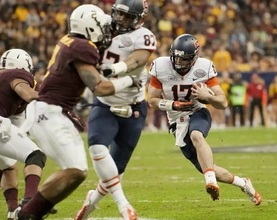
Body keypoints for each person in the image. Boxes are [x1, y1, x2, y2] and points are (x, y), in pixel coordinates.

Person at [16, 4, 142, 220]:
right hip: (50, 112)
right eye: (101, 27)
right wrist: (130, 80)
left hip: (50, 111)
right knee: (75, 170)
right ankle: (28, 213)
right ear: (90, 26)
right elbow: (100, 88)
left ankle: (31, 211)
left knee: (76, 171)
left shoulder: (71, 41)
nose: (104, 32)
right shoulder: (82, 46)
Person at [147, 34, 261, 205]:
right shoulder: (161, 66)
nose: (178, 62)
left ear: (194, 58)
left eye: (183, 59)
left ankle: (210, 182)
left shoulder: (204, 67)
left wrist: (207, 96)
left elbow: (222, 102)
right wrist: (172, 105)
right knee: (209, 168)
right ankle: (243, 183)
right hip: (177, 121)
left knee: (196, 135)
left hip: (198, 111)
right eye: (176, 57)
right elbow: (152, 100)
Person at [75, 0, 156, 220]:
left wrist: (118, 68)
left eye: (127, 16)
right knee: (97, 147)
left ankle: (90, 203)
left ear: (139, 19)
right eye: (119, 14)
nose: (120, 20)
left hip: (134, 107)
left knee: (116, 170)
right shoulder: (101, 26)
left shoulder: (143, 36)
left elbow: (139, 57)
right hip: (105, 103)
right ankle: (124, 207)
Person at [0, 48, 47, 219]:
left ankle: (13, 210)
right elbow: (26, 93)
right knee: (36, 156)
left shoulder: (3, 81)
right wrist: (49, 101)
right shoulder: (17, 76)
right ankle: (30, 203)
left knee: (8, 164)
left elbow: (19, 126)